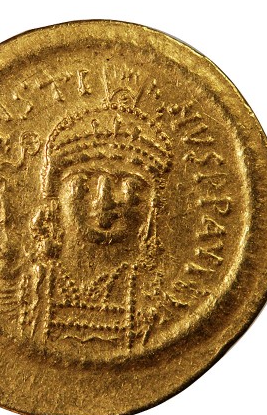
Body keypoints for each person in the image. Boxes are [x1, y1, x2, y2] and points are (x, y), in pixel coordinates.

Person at [11, 102, 173, 353]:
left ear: (150, 206)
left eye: (128, 186)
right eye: (84, 184)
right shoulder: (34, 284)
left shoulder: (149, 293)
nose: (104, 201)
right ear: (55, 199)